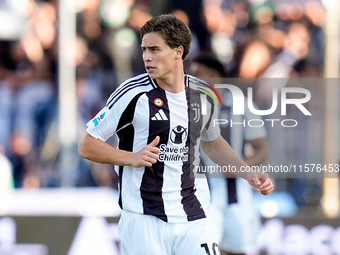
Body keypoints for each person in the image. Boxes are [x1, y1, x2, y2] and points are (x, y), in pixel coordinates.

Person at [78, 14, 274, 255]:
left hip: (194, 216)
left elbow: (212, 143)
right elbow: (87, 145)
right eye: (144, 50)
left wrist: (247, 172)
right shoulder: (132, 94)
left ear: (178, 51)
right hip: (144, 218)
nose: (147, 57)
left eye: (154, 49)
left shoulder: (204, 94)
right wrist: (130, 157)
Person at [189, 52, 269, 255]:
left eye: (198, 74)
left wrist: (241, 168)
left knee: (237, 250)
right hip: (202, 196)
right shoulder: (187, 106)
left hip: (237, 196)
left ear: (215, 76)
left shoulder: (240, 104)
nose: (192, 80)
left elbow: (262, 148)